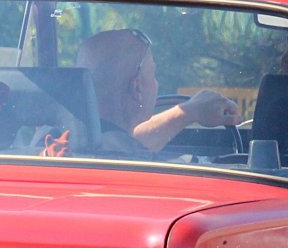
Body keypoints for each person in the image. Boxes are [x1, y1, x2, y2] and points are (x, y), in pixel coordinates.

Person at [76, 28, 240, 157]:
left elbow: (126, 143)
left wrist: (189, 111)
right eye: (153, 75)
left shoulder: (66, 139)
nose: (157, 84)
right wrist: (190, 112)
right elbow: (126, 152)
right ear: (137, 88)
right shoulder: (134, 165)